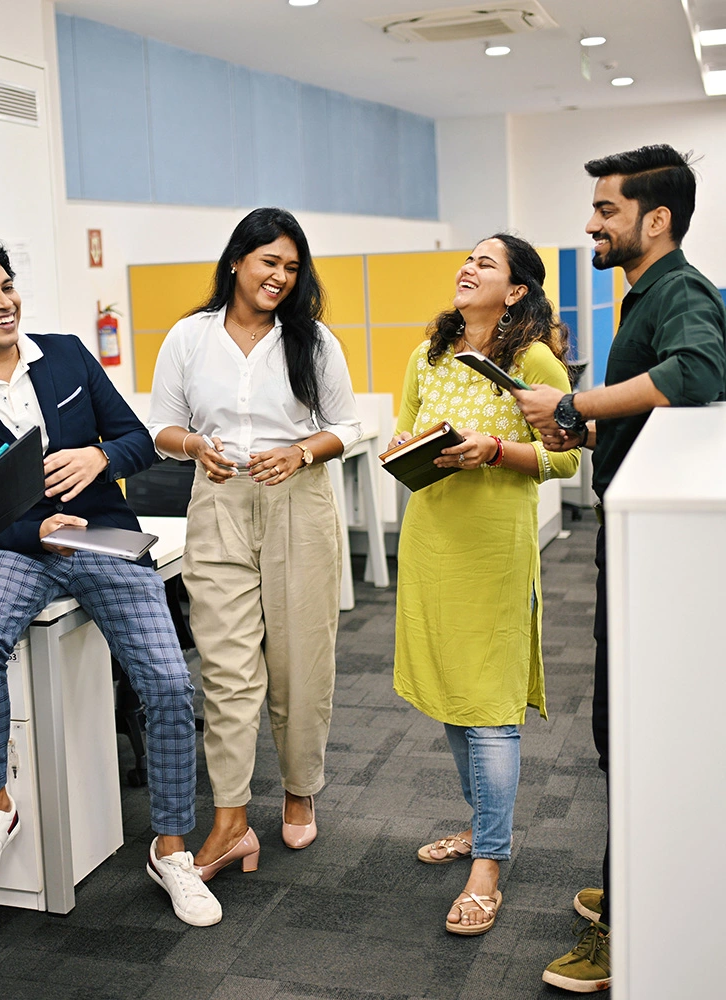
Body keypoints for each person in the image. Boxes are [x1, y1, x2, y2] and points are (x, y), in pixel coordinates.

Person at [0, 238, 221, 927]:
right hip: (10, 550)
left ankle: (171, 847)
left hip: (103, 535)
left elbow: (138, 440)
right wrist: (35, 531)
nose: (4, 302)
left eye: (7, 286)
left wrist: (99, 455)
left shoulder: (69, 356)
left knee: (169, 682)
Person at [514, 145, 726, 993]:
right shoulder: (649, 294)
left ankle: (628, 933)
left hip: (654, 554)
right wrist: (594, 431)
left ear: (655, 220)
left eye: (606, 210)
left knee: (631, 733)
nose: (592, 223)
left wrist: (571, 403)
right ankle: (633, 878)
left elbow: (701, 373)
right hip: (630, 534)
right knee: (617, 730)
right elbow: (659, 420)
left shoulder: (680, 293)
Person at [146, 207, 361, 878]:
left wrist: (300, 453)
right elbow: (162, 427)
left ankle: (300, 792)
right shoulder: (188, 336)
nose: (280, 277)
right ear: (237, 260)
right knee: (227, 668)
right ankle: (232, 818)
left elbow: (348, 427)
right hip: (219, 503)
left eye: (292, 268)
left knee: (300, 660)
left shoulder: (314, 340)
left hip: (298, 501)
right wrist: (193, 447)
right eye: (270, 261)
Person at [391, 234, 580, 937]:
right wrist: (403, 450)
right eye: (467, 259)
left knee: (492, 708)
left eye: (487, 263)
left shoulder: (532, 360)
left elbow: (568, 455)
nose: (469, 268)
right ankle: (483, 827)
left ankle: (490, 863)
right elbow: (404, 430)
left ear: (518, 290)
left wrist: (495, 451)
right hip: (432, 539)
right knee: (452, 697)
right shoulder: (427, 354)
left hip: (493, 549)